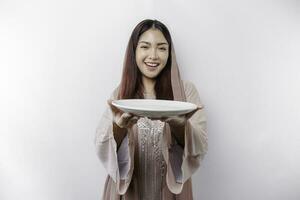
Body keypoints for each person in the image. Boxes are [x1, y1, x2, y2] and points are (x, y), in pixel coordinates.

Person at [95, 19, 208, 200]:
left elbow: (200, 146)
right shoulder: (121, 94)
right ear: (134, 51)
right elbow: (102, 146)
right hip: (129, 193)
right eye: (145, 47)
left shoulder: (186, 92)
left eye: (162, 48)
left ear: (169, 53)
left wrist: (180, 126)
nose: (153, 55)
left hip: (171, 194)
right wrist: (119, 126)